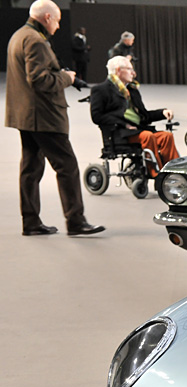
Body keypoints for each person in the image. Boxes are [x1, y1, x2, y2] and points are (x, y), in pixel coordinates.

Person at [5, 0, 103, 236]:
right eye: (57, 20)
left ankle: (31, 222)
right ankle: (76, 221)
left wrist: (61, 74)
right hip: (43, 117)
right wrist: (67, 78)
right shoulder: (35, 40)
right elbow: (39, 80)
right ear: (47, 17)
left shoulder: (19, 36)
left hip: (26, 116)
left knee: (30, 168)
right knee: (67, 167)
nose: (58, 26)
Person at [90, 56, 178, 177]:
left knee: (166, 136)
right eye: (129, 69)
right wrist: (124, 124)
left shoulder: (132, 90)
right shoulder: (101, 90)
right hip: (120, 133)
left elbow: (144, 116)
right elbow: (97, 116)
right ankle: (156, 173)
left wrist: (162, 113)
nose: (134, 73)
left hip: (138, 131)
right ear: (118, 70)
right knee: (147, 136)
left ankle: (175, 172)